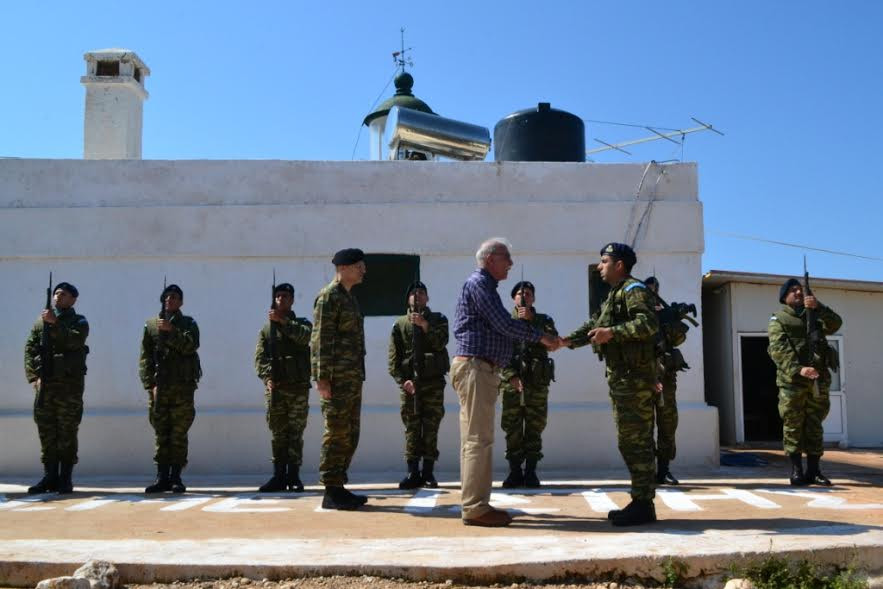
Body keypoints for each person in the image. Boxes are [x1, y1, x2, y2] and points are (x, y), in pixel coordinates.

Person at [451, 237, 562, 527]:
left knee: (473, 440)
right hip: (476, 368)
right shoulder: (479, 284)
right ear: (489, 259)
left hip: (479, 368)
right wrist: (541, 336)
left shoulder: (485, 286)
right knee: (478, 440)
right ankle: (476, 508)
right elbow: (502, 323)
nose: (510, 263)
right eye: (506, 258)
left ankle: (473, 504)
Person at [564, 243, 659, 526]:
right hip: (623, 379)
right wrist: (565, 342)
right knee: (630, 441)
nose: (599, 267)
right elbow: (594, 327)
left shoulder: (634, 290)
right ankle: (641, 501)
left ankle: (643, 504)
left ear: (619, 265)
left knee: (637, 441)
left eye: (604, 261)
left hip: (635, 379)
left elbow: (648, 324)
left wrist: (613, 333)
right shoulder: (614, 296)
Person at [768, 278, 842, 486]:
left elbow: (836, 323)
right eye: (793, 291)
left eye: (801, 290)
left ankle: (814, 471)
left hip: (818, 380)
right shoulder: (779, 319)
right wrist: (799, 369)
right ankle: (796, 471)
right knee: (793, 425)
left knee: (814, 424)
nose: (799, 293)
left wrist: (819, 307)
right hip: (793, 382)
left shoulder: (816, 315)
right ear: (785, 297)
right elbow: (778, 350)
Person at [312, 248, 369, 510]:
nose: (363, 270)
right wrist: (322, 379)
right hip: (335, 379)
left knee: (350, 434)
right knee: (336, 433)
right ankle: (331, 489)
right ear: (343, 268)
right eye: (359, 266)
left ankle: (339, 485)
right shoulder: (329, 298)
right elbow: (320, 340)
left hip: (351, 378)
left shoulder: (349, 298)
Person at [24, 281, 90, 494]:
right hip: (45, 386)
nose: (57, 297)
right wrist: (34, 378)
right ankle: (49, 476)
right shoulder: (39, 322)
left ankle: (65, 477)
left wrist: (55, 325)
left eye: (63, 294)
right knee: (47, 431)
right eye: (56, 294)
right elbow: (30, 349)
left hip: (68, 388)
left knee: (67, 431)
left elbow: (75, 341)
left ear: (73, 299)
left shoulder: (79, 321)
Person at [139, 284, 201, 494]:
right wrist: (150, 385)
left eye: (174, 297)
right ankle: (161, 476)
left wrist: (172, 331)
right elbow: (145, 358)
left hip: (182, 388)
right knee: (161, 433)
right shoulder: (150, 325)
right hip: (160, 387)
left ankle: (176, 476)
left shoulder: (188, 323)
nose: (169, 300)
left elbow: (191, 346)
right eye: (166, 297)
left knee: (178, 433)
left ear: (181, 302)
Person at [388, 280, 449, 489]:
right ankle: (412, 472)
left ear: (427, 298)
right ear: (408, 299)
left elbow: (441, 342)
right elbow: (393, 359)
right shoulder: (400, 325)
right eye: (413, 293)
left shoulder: (439, 320)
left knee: (431, 427)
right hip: (410, 386)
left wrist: (425, 326)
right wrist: (402, 381)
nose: (418, 296)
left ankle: (428, 472)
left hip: (433, 384)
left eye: (422, 293)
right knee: (412, 429)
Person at [255, 282, 312, 493]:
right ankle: (278, 476)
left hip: (297, 388)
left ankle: (294, 475)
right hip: (276, 389)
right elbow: (260, 358)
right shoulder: (266, 329)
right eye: (278, 296)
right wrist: (267, 377)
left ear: (293, 300)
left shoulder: (302, 323)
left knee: (295, 434)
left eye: (286, 296)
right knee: (279, 434)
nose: (281, 299)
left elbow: (305, 337)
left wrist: (284, 323)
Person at [500, 281, 558, 489]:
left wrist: (532, 321)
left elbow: (553, 343)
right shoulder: (505, 321)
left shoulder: (544, 320)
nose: (523, 296)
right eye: (519, 293)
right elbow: (499, 352)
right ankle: (515, 471)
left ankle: (531, 471)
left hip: (537, 383)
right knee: (512, 428)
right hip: (512, 383)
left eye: (528, 293)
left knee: (535, 426)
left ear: (533, 298)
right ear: (513, 298)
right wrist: (510, 376)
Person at [644, 276, 688, 486]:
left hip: (666, 378)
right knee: (644, 425)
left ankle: (664, 469)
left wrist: (670, 318)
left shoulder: (666, 314)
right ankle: (646, 470)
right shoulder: (638, 316)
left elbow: (679, 339)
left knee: (667, 423)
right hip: (643, 378)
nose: (652, 295)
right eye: (648, 291)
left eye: (655, 290)